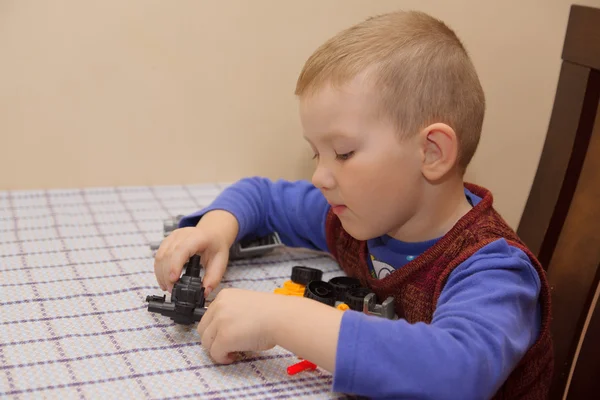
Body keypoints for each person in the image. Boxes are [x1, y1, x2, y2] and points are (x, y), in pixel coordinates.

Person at [153, 10, 553, 399]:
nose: (320, 177)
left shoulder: (497, 270)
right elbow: (262, 195)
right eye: (316, 154)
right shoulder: (359, 215)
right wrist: (214, 230)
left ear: (432, 152)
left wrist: (282, 319)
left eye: (342, 153)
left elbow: (457, 373)